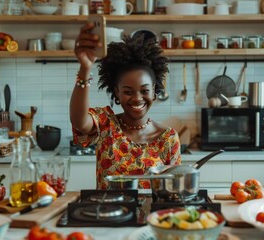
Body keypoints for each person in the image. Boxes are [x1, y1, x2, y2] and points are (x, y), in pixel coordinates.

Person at [70, 23, 181, 189]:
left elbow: (173, 189)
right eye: (128, 92)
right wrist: (85, 68)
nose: (137, 99)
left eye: (144, 90)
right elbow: (80, 122)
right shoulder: (105, 124)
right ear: (117, 93)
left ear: (154, 92)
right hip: (108, 213)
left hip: (152, 215)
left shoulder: (168, 139)